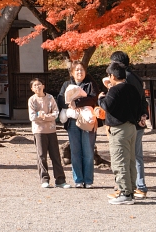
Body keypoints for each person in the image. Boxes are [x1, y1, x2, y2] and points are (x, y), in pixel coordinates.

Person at [99, 62, 145, 205]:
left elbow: (107, 106)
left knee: (120, 161)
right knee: (130, 160)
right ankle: (130, 190)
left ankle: (125, 193)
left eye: (109, 75)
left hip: (119, 129)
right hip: (132, 128)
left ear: (112, 76)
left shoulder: (114, 90)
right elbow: (139, 107)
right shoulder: (132, 89)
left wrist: (100, 98)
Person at [109, 51, 148, 198]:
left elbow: (129, 101)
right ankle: (135, 186)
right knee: (134, 156)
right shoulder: (133, 77)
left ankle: (130, 188)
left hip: (130, 122)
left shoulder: (126, 79)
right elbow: (142, 99)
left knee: (129, 156)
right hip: (136, 120)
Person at [57, 61, 98, 188]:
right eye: (77, 70)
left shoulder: (91, 84)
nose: (80, 72)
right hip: (72, 122)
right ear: (72, 73)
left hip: (87, 121)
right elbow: (60, 99)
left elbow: (94, 98)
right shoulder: (66, 84)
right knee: (75, 151)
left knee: (88, 151)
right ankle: (78, 179)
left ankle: (88, 180)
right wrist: (70, 104)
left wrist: (78, 103)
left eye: (82, 70)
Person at [28, 79, 68, 188]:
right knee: (42, 156)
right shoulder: (32, 100)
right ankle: (44, 179)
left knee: (55, 155)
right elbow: (32, 117)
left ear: (43, 85)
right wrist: (44, 116)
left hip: (51, 130)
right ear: (32, 89)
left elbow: (56, 113)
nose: (38, 87)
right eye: (35, 85)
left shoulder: (50, 98)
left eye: (39, 84)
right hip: (39, 131)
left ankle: (60, 180)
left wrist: (45, 116)